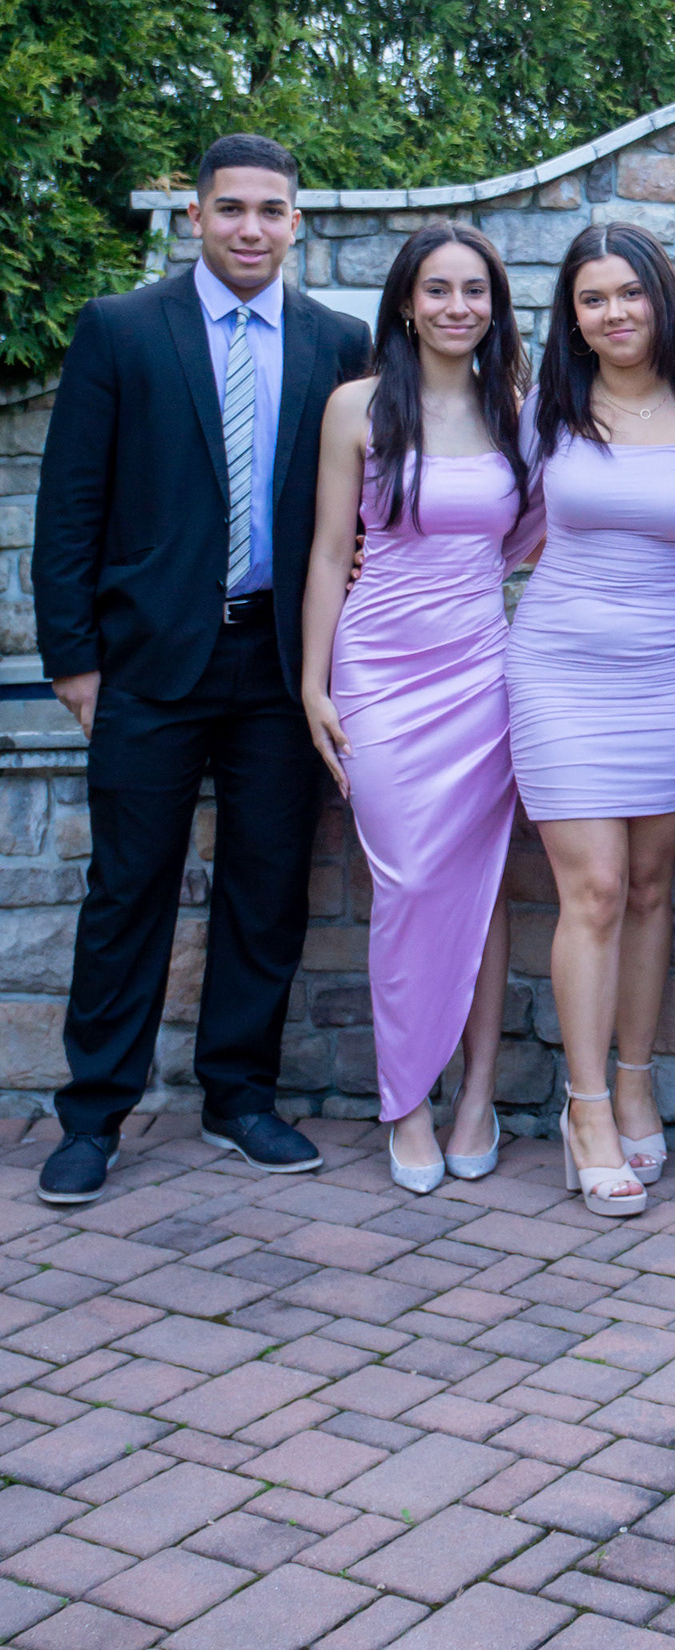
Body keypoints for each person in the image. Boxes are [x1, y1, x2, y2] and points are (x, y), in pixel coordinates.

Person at [30, 133, 372, 1205]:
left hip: (279, 662)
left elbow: (359, 513)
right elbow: (69, 503)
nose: (250, 229)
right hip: (149, 663)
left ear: (297, 222)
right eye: (231, 209)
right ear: (196, 217)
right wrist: (73, 659)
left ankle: (239, 1098)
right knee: (127, 890)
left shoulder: (339, 343)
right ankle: (93, 1116)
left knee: (266, 890)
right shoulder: (123, 329)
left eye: (271, 211)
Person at [301, 225, 542, 1193]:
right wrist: (314, 683)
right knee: (405, 884)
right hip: (380, 672)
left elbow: (535, 530)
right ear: (406, 301)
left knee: (482, 888)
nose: (456, 307)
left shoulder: (513, 411)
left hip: (481, 672)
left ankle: (477, 1097)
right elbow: (330, 551)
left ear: (494, 306)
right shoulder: (356, 407)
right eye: (437, 289)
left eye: (474, 291)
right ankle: (405, 1101)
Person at [507, 225, 675, 1217]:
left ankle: (635, 1079)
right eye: (592, 299)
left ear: (660, 298)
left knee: (646, 886)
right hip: (560, 669)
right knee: (592, 889)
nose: (615, 313)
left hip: (667, 674)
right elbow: (498, 526)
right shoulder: (546, 410)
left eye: (630, 293)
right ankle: (586, 1108)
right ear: (573, 317)